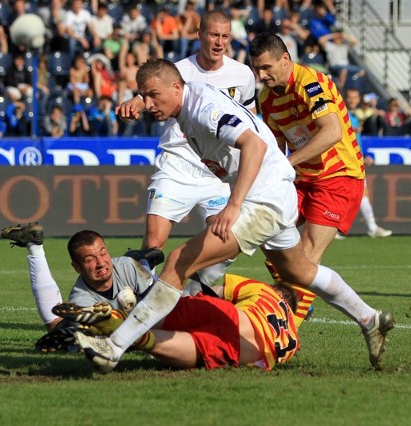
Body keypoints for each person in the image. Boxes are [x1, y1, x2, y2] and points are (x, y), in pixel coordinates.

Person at [74, 58, 394, 373]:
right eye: (144, 95)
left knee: (178, 262)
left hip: (262, 199)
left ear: (175, 87)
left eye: (153, 95)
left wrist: (234, 204)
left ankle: (113, 347)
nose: (149, 103)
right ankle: (369, 318)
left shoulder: (203, 109)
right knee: (298, 270)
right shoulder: (188, 103)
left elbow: (253, 145)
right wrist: (142, 102)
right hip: (274, 193)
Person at [116, 10, 255, 286]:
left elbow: (247, 121)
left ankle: (189, 292)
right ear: (199, 33)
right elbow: (154, 91)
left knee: (227, 241)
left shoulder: (243, 75)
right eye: (214, 35)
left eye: (225, 36)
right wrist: (136, 103)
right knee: (153, 244)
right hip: (177, 163)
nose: (219, 42)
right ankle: (138, 302)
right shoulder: (180, 70)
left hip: (216, 172)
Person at [249, 34, 366, 280]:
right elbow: (275, 149)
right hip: (302, 178)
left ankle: (289, 310)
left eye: (266, 68)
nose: (261, 76)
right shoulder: (266, 99)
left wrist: (288, 163)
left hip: (339, 174)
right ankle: (289, 284)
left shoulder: (310, 83)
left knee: (306, 258)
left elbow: (333, 132)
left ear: (285, 59)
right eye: (256, 69)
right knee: (262, 228)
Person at [48, 273, 300, 371]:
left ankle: (118, 316)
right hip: (244, 347)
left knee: (158, 316)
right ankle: (128, 335)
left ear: (276, 291)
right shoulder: (294, 340)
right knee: (164, 344)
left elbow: (213, 291)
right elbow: (260, 365)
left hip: (228, 313)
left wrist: (184, 303)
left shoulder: (263, 290)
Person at [0, 223, 159, 331]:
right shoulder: (80, 301)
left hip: (133, 271)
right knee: (56, 326)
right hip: (93, 321)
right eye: (90, 259)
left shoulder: (127, 266)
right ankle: (34, 247)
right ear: (76, 267)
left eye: (103, 253)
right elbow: (111, 337)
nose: (101, 263)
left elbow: (161, 303)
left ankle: (144, 264)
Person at [345, 88, 393, 238]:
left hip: (355, 159)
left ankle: (372, 227)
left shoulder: (354, 115)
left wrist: (363, 155)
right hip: (344, 160)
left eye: (355, 97)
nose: (352, 100)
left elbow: (355, 141)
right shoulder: (341, 113)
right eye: (350, 97)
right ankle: (371, 227)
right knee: (355, 194)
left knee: (361, 194)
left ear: (359, 99)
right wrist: (351, 130)